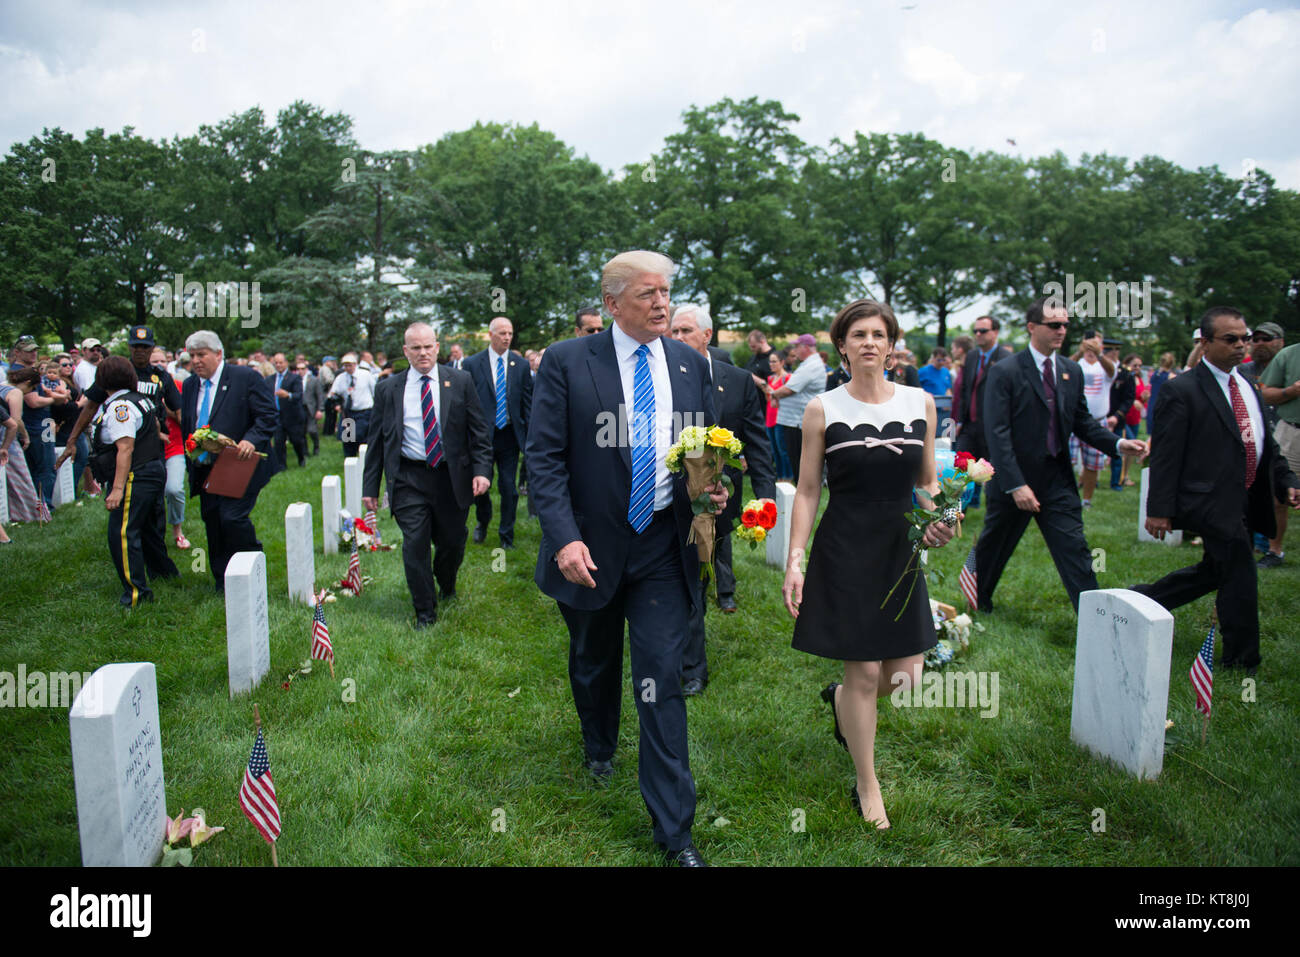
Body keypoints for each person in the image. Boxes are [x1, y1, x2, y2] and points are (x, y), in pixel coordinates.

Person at [525, 250, 725, 867]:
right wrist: (564, 538)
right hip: (587, 546)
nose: (662, 304)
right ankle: (598, 743)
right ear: (612, 303)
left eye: (666, 292)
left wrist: (715, 489)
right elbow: (545, 459)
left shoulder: (691, 365)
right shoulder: (566, 362)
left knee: (661, 679)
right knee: (593, 659)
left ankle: (676, 834)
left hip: (664, 549)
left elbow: (709, 451)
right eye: (647, 294)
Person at [783, 299, 954, 828]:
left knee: (906, 673)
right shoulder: (822, 409)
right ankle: (866, 781)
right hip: (845, 544)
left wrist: (944, 512)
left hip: (900, 548)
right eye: (858, 334)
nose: (869, 343)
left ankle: (840, 703)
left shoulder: (920, 402)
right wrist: (795, 559)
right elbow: (809, 489)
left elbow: (927, 479)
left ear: (891, 343)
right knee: (862, 669)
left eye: (879, 334)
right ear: (842, 345)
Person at [1135, 307, 1299, 674]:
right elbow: (1165, 454)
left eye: (1245, 338)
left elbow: (1263, 444)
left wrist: (1287, 481)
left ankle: (1138, 601)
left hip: (1245, 495)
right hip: (1206, 500)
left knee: (1215, 570)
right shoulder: (1183, 389)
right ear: (1206, 343)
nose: (1241, 346)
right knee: (1240, 572)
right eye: (1231, 339)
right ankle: (1242, 660)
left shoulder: (1248, 386)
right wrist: (1158, 508)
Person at [976, 297, 1147, 612]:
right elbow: (997, 433)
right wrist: (1016, 484)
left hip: (1056, 478)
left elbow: (1081, 422)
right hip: (1013, 478)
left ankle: (1094, 615)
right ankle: (978, 597)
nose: (1062, 331)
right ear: (1032, 327)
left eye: (1066, 325)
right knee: (995, 544)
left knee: (1074, 547)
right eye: (1054, 325)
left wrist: (1119, 445)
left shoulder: (1070, 371)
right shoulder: (1005, 372)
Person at [671, 303, 774, 692]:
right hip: (665, 496)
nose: (676, 338)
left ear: (706, 335)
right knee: (677, 579)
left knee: (698, 576)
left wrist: (763, 500)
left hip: (717, 499)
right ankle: (680, 656)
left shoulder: (738, 380)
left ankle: (692, 668)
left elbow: (758, 444)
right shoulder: (661, 375)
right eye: (673, 331)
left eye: (684, 331)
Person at [361, 323, 492, 627]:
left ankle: (446, 583)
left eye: (427, 346)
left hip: (450, 478)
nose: (422, 353)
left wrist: (482, 471)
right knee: (414, 542)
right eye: (415, 348)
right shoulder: (388, 389)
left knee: (452, 542)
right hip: (408, 478)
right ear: (405, 351)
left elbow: (479, 433)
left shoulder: (460, 381)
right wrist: (370, 487)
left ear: (437, 347)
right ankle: (424, 610)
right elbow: (377, 441)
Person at [181, 330, 281, 591]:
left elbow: (268, 415)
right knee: (212, 519)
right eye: (192, 356)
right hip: (204, 465)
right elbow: (188, 423)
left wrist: (251, 439)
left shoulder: (244, 377)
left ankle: (251, 566)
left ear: (218, 354)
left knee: (232, 517)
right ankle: (222, 580)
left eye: (201, 355)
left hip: (238, 463)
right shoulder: (191, 384)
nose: (196, 361)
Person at [85, 356, 177, 605]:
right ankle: (165, 573)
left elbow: (125, 448)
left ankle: (136, 594)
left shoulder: (119, 407)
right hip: (152, 468)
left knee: (123, 533)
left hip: (137, 474)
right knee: (147, 529)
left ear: (103, 379)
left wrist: (117, 490)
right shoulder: (141, 399)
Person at [465, 317, 532, 549]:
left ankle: (506, 535)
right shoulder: (472, 364)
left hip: (510, 436)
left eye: (510, 333)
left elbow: (527, 403)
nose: (507, 337)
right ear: (491, 335)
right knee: (481, 488)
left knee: (509, 488)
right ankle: (483, 522)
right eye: (502, 333)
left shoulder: (520, 365)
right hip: (482, 437)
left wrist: (530, 433)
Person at [955, 317, 1012, 508]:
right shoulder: (971, 356)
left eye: (983, 331)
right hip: (969, 425)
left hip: (993, 426)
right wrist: (959, 420)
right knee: (959, 468)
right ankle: (956, 512)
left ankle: (993, 509)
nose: (978, 334)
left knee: (991, 472)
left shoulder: (1006, 359)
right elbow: (964, 390)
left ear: (995, 332)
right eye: (975, 330)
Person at [1259, 329, 1300, 568]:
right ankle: (1275, 550)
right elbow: (1266, 393)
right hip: (1291, 432)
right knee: (1279, 495)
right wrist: (1290, 392)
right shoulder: (1289, 354)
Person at [1068, 332, 1115, 509]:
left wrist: (1099, 355)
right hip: (1072, 420)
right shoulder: (1076, 363)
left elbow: (1112, 371)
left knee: (1092, 464)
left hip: (1097, 421)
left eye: (1095, 344)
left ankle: (1086, 500)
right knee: (1066, 460)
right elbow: (1063, 366)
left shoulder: (1105, 366)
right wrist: (1080, 352)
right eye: (1088, 344)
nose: (1091, 348)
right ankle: (1067, 495)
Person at [771, 333, 825, 484]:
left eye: (796, 346)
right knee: (795, 461)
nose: (794, 350)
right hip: (795, 421)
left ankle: (802, 496)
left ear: (805, 347)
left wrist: (773, 394)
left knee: (798, 463)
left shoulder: (811, 366)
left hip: (798, 422)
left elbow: (789, 389)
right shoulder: (809, 364)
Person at [0, 367, 41, 525]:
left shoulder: (1, 385)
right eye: (31, 389)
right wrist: (26, 436)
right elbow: (16, 420)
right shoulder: (15, 392)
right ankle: (31, 515)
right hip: (7, 440)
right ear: (28, 383)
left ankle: (8, 515)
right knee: (22, 478)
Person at [329, 353, 376, 458]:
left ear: (356, 364)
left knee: (361, 437)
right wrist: (337, 404)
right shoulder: (341, 378)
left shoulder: (365, 375)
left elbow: (375, 391)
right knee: (348, 439)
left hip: (364, 411)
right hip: (348, 412)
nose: (348, 368)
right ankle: (350, 459)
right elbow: (333, 394)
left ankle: (365, 459)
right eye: (346, 366)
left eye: (350, 365)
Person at [266, 353, 306, 468]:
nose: (278, 365)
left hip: (292, 416)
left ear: (286, 363)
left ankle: (301, 458)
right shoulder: (270, 379)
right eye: (276, 363)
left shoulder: (294, 378)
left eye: (281, 362)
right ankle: (281, 465)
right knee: (279, 442)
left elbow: (299, 395)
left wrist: (288, 395)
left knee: (296, 440)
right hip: (277, 416)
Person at [1105, 340, 1136, 491]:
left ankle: (1116, 481)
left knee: (1118, 451)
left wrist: (1117, 416)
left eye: (1109, 351)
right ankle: (1090, 480)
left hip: (1117, 417)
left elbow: (1129, 398)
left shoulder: (1125, 373)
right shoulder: (1099, 369)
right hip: (1099, 416)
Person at [766, 350, 793, 481]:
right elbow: (769, 399)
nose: (771, 364)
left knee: (783, 450)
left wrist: (774, 393)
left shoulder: (787, 378)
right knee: (774, 450)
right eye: (770, 361)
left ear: (782, 362)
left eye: (774, 361)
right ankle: (780, 476)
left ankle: (788, 476)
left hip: (781, 417)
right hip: (769, 416)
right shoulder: (770, 378)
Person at [1146, 351, 1177, 437]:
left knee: (1152, 435)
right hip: (1164, 407)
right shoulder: (1171, 377)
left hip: (1152, 405)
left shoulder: (1155, 374)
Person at [917, 346, 953, 421]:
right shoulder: (923, 371)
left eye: (943, 360)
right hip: (928, 407)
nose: (941, 363)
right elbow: (917, 387)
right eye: (939, 360)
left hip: (942, 409)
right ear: (933, 358)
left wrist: (948, 402)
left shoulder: (946, 372)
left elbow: (948, 388)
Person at [299, 358, 324, 457]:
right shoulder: (296, 379)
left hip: (311, 408)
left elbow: (319, 395)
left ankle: (316, 446)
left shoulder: (313, 380)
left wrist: (320, 409)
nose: (300, 371)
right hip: (300, 408)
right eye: (298, 369)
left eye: (302, 369)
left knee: (312, 430)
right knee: (302, 431)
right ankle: (305, 451)